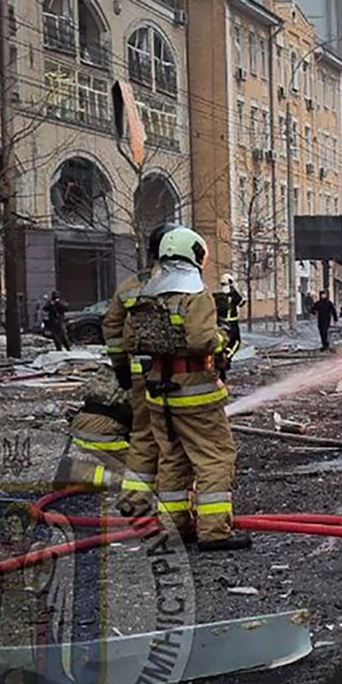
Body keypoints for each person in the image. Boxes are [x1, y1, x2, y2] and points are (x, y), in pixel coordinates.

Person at [136, 227, 248, 551]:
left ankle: (175, 528)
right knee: (215, 457)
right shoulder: (195, 296)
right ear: (194, 255)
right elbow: (202, 341)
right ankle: (214, 532)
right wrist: (223, 337)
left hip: (160, 392)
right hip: (195, 392)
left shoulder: (150, 294)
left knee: (173, 459)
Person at [103, 223, 177, 515]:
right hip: (176, 375)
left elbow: (111, 327)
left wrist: (121, 366)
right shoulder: (184, 286)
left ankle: (134, 501)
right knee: (176, 440)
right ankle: (177, 510)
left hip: (139, 375)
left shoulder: (130, 285)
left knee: (143, 436)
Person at [54, 366, 132, 490]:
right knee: (140, 481)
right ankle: (74, 472)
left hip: (83, 421)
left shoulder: (124, 364)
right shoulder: (150, 377)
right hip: (103, 429)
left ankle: (78, 467)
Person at [212, 274, 243, 382]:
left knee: (222, 344)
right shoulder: (232, 295)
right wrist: (235, 287)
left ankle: (220, 367)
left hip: (220, 323)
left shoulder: (217, 296)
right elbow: (242, 302)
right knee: (236, 342)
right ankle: (227, 358)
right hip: (232, 323)